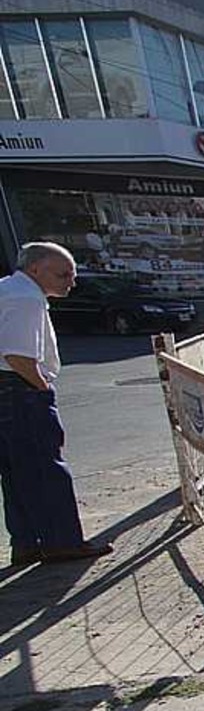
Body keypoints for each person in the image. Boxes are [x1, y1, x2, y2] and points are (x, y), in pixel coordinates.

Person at [0, 242, 114, 566]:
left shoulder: (7, 290)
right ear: (35, 269)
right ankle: (62, 541)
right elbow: (18, 355)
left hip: (8, 389)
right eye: (64, 274)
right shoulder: (25, 298)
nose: (71, 282)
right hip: (18, 390)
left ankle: (27, 542)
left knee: (15, 472)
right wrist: (42, 386)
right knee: (46, 468)